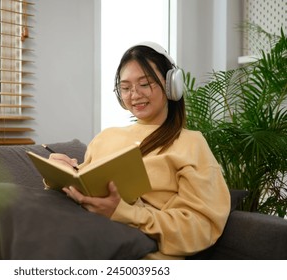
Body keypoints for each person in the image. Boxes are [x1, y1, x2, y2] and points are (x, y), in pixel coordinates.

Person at [48, 42, 231, 260]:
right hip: (85, 231)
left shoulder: (191, 144)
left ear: (172, 84)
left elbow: (201, 228)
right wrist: (60, 174)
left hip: (137, 253)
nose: (134, 95)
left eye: (144, 84)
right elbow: (84, 187)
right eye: (125, 88)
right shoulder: (106, 136)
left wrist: (124, 213)